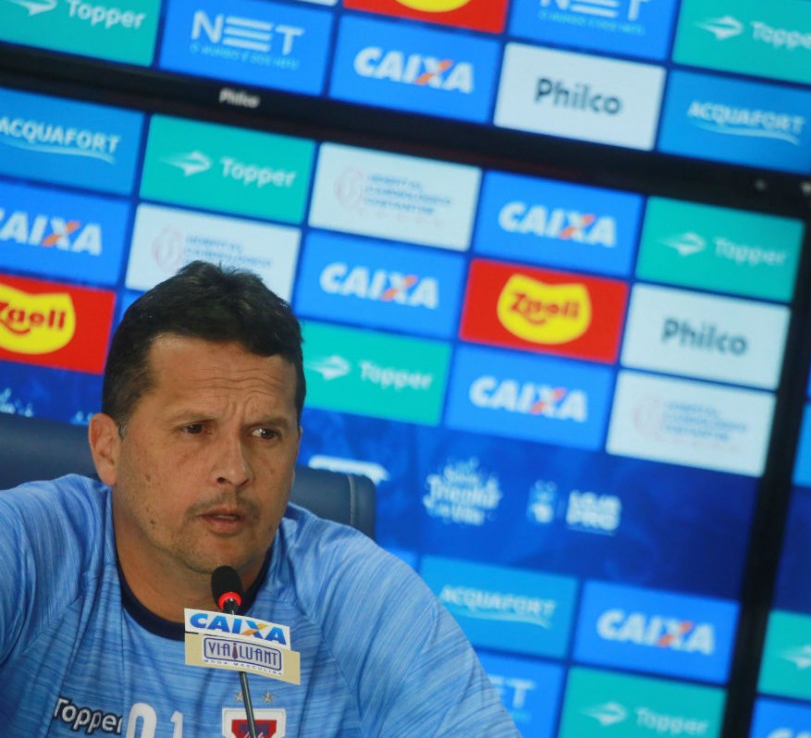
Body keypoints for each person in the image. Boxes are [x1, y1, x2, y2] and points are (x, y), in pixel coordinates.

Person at [0, 261, 520, 736]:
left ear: (295, 449)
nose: (235, 470)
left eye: (266, 434)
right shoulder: (30, 547)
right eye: (195, 429)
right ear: (108, 449)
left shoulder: (359, 596)